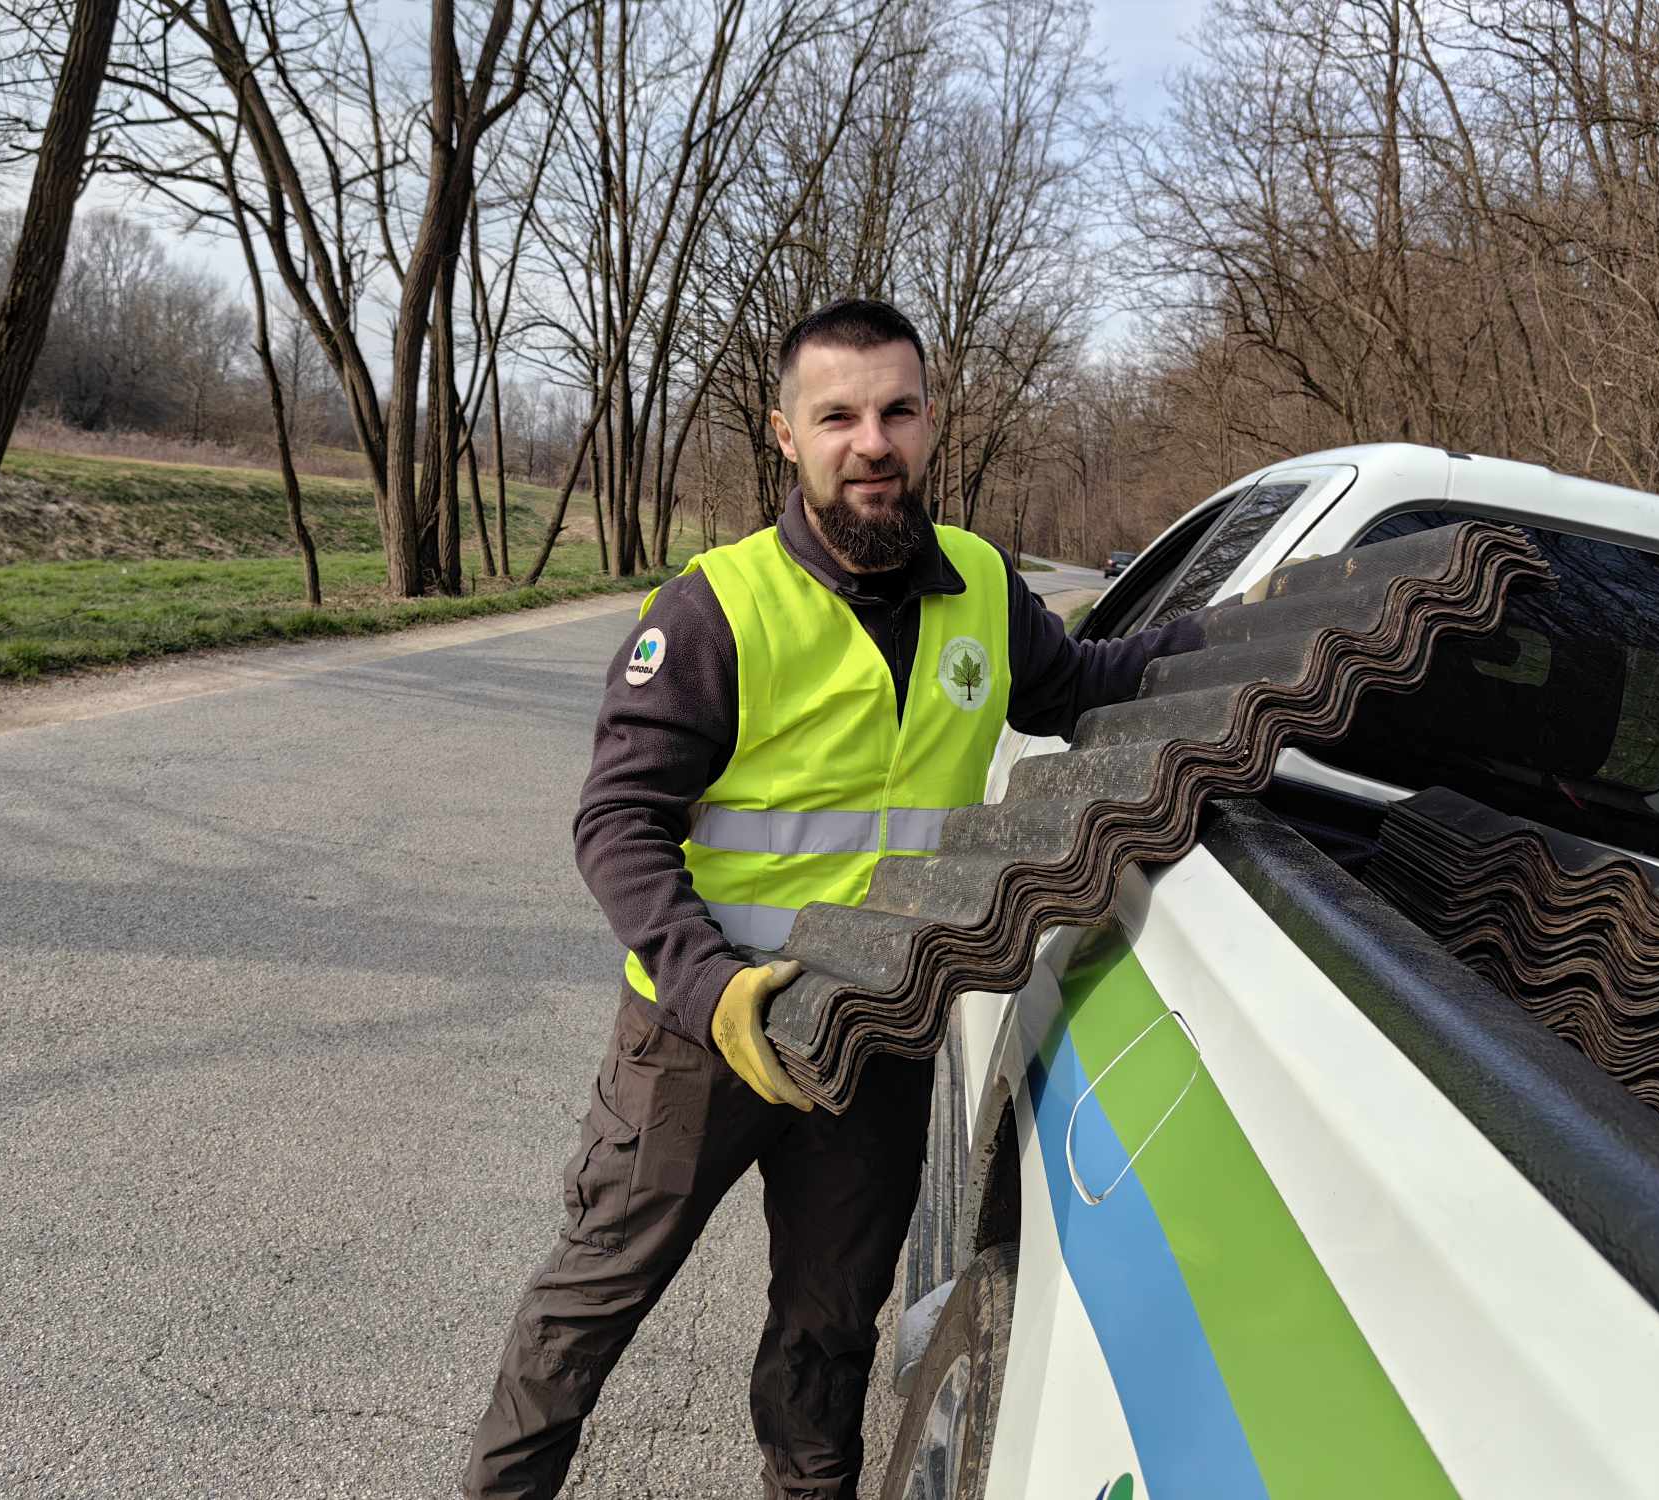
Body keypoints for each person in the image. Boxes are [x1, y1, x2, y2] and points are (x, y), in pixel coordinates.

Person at [462, 298, 1205, 1499]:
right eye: (838, 416)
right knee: (586, 1311)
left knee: (827, 1342)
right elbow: (616, 822)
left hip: (874, 1043)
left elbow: (1086, 687)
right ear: (786, 436)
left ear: (928, 423)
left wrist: (1257, 638)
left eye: (897, 412)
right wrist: (714, 991)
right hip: (699, 1039)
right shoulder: (715, 609)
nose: (872, 442)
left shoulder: (981, 585)